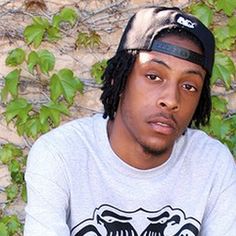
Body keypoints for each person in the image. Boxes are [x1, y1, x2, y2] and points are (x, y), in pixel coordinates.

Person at [24, 6, 236, 236]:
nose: (171, 100)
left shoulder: (212, 163)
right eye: (153, 76)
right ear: (118, 79)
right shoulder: (61, 154)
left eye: (189, 86)